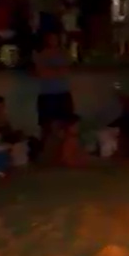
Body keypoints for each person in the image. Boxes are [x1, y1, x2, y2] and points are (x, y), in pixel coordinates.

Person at [33, 32, 80, 164]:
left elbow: (67, 70)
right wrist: (56, 71)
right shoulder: (41, 54)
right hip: (47, 94)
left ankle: (64, 155)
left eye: (55, 37)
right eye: (50, 37)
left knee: (67, 126)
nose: (53, 40)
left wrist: (51, 71)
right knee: (47, 127)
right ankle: (46, 156)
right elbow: (40, 73)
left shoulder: (63, 53)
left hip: (62, 93)